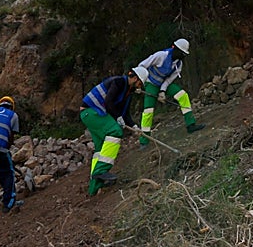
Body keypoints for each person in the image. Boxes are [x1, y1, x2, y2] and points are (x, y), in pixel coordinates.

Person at [80, 67, 146, 196]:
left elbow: (125, 114)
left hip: (90, 114)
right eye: (140, 84)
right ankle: (101, 171)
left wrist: (135, 127)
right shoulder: (118, 82)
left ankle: (93, 188)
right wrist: (117, 118)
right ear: (135, 78)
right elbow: (109, 102)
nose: (139, 87)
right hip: (91, 112)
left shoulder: (127, 93)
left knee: (100, 150)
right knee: (115, 131)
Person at [135, 38, 204, 146]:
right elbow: (142, 65)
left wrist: (162, 91)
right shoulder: (161, 56)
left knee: (183, 95)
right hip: (150, 83)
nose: (183, 56)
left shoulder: (178, 64)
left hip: (163, 84)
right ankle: (144, 140)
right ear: (175, 48)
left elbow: (169, 79)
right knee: (148, 111)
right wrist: (138, 82)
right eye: (182, 53)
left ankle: (191, 125)